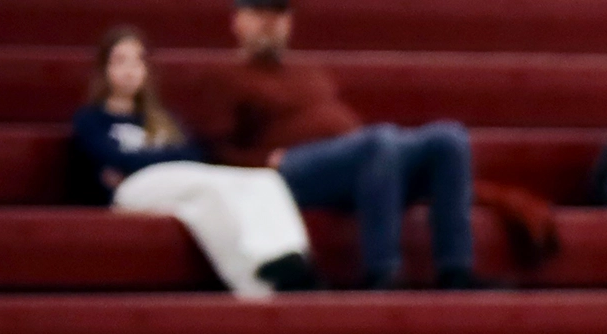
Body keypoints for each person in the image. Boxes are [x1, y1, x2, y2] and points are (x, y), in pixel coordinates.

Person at [192, 0, 484, 290]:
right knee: (380, 142)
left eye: (278, 15)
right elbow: (214, 148)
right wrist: (263, 162)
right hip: (290, 171)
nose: (270, 23)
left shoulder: (308, 74)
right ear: (237, 22)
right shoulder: (222, 77)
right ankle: (384, 272)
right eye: (259, 15)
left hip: (352, 159)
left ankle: (456, 271)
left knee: (449, 138)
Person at [71, 27, 316, 297]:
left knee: (262, 179)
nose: (130, 69)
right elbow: (110, 157)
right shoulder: (92, 119)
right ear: (104, 68)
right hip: (132, 190)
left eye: (138, 60)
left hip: (173, 179)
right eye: (120, 60)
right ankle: (256, 286)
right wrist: (155, 158)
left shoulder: (163, 118)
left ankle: (292, 262)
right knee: (209, 191)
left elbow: (193, 154)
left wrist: (137, 160)